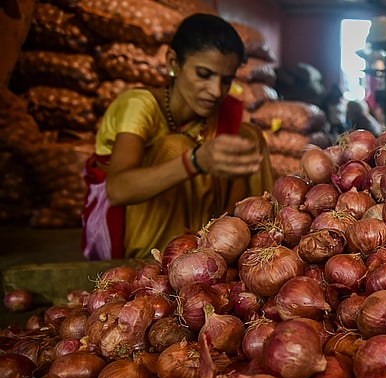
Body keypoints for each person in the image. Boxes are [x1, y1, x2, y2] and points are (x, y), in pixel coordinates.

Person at [82, 13, 273, 260]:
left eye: (226, 80)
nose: (216, 91)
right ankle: (167, 264)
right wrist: (195, 161)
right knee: (176, 147)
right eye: (203, 74)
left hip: (203, 233)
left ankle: (256, 255)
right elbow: (117, 190)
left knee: (249, 137)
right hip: (126, 231)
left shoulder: (220, 115)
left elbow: (235, 199)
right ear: (173, 62)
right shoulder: (139, 105)